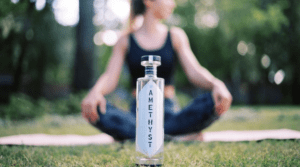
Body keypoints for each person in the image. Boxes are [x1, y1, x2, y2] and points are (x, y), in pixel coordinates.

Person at [81, 0, 232, 142]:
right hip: (138, 115)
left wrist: (217, 84)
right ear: (149, 1)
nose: (172, 4)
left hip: (170, 112)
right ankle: (175, 136)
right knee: (98, 110)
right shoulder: (125, 40)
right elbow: (110, 77)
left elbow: (195, 71)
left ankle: (141, 136)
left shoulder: (175, 36)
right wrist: (95, 93)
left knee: (212, 100)